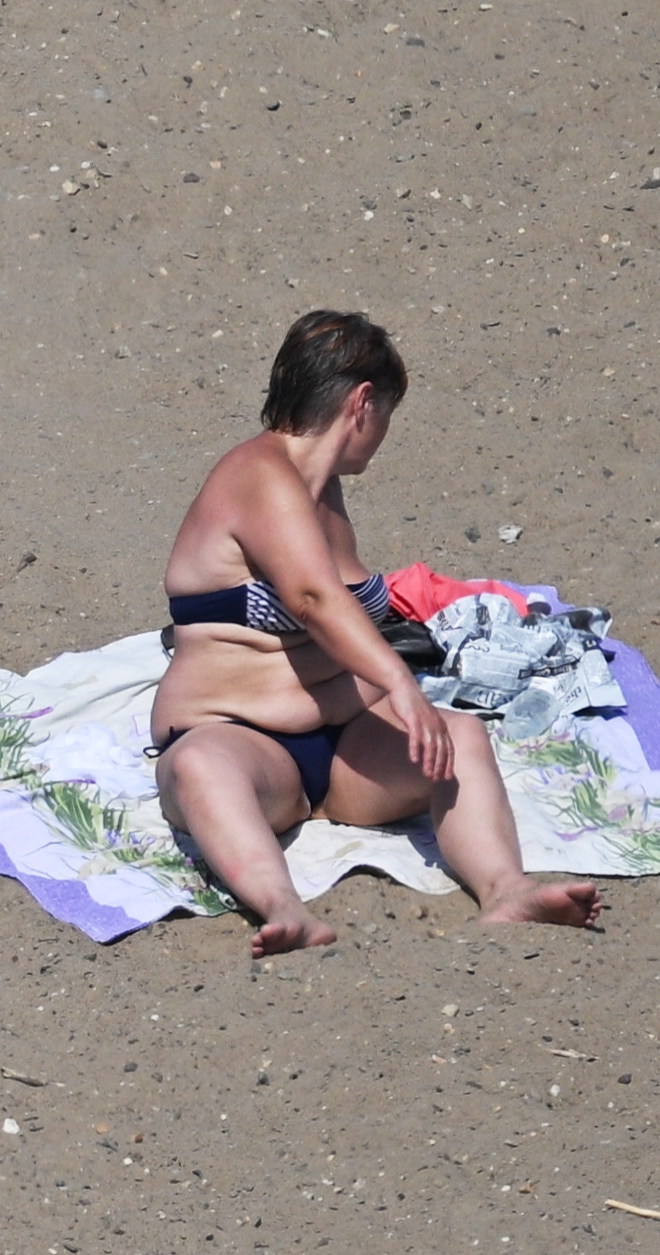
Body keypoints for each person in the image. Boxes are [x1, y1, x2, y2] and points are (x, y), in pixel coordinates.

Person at [151, 308, 604, 955]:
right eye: (388, 415)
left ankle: (505, 889)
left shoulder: (325, 492)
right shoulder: (256, 474)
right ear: (363, 403)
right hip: (238, 738)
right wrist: (398, 679)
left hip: (343, 753)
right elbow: (311, 598)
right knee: (200, 768)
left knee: (460, 736)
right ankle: (283, 906)